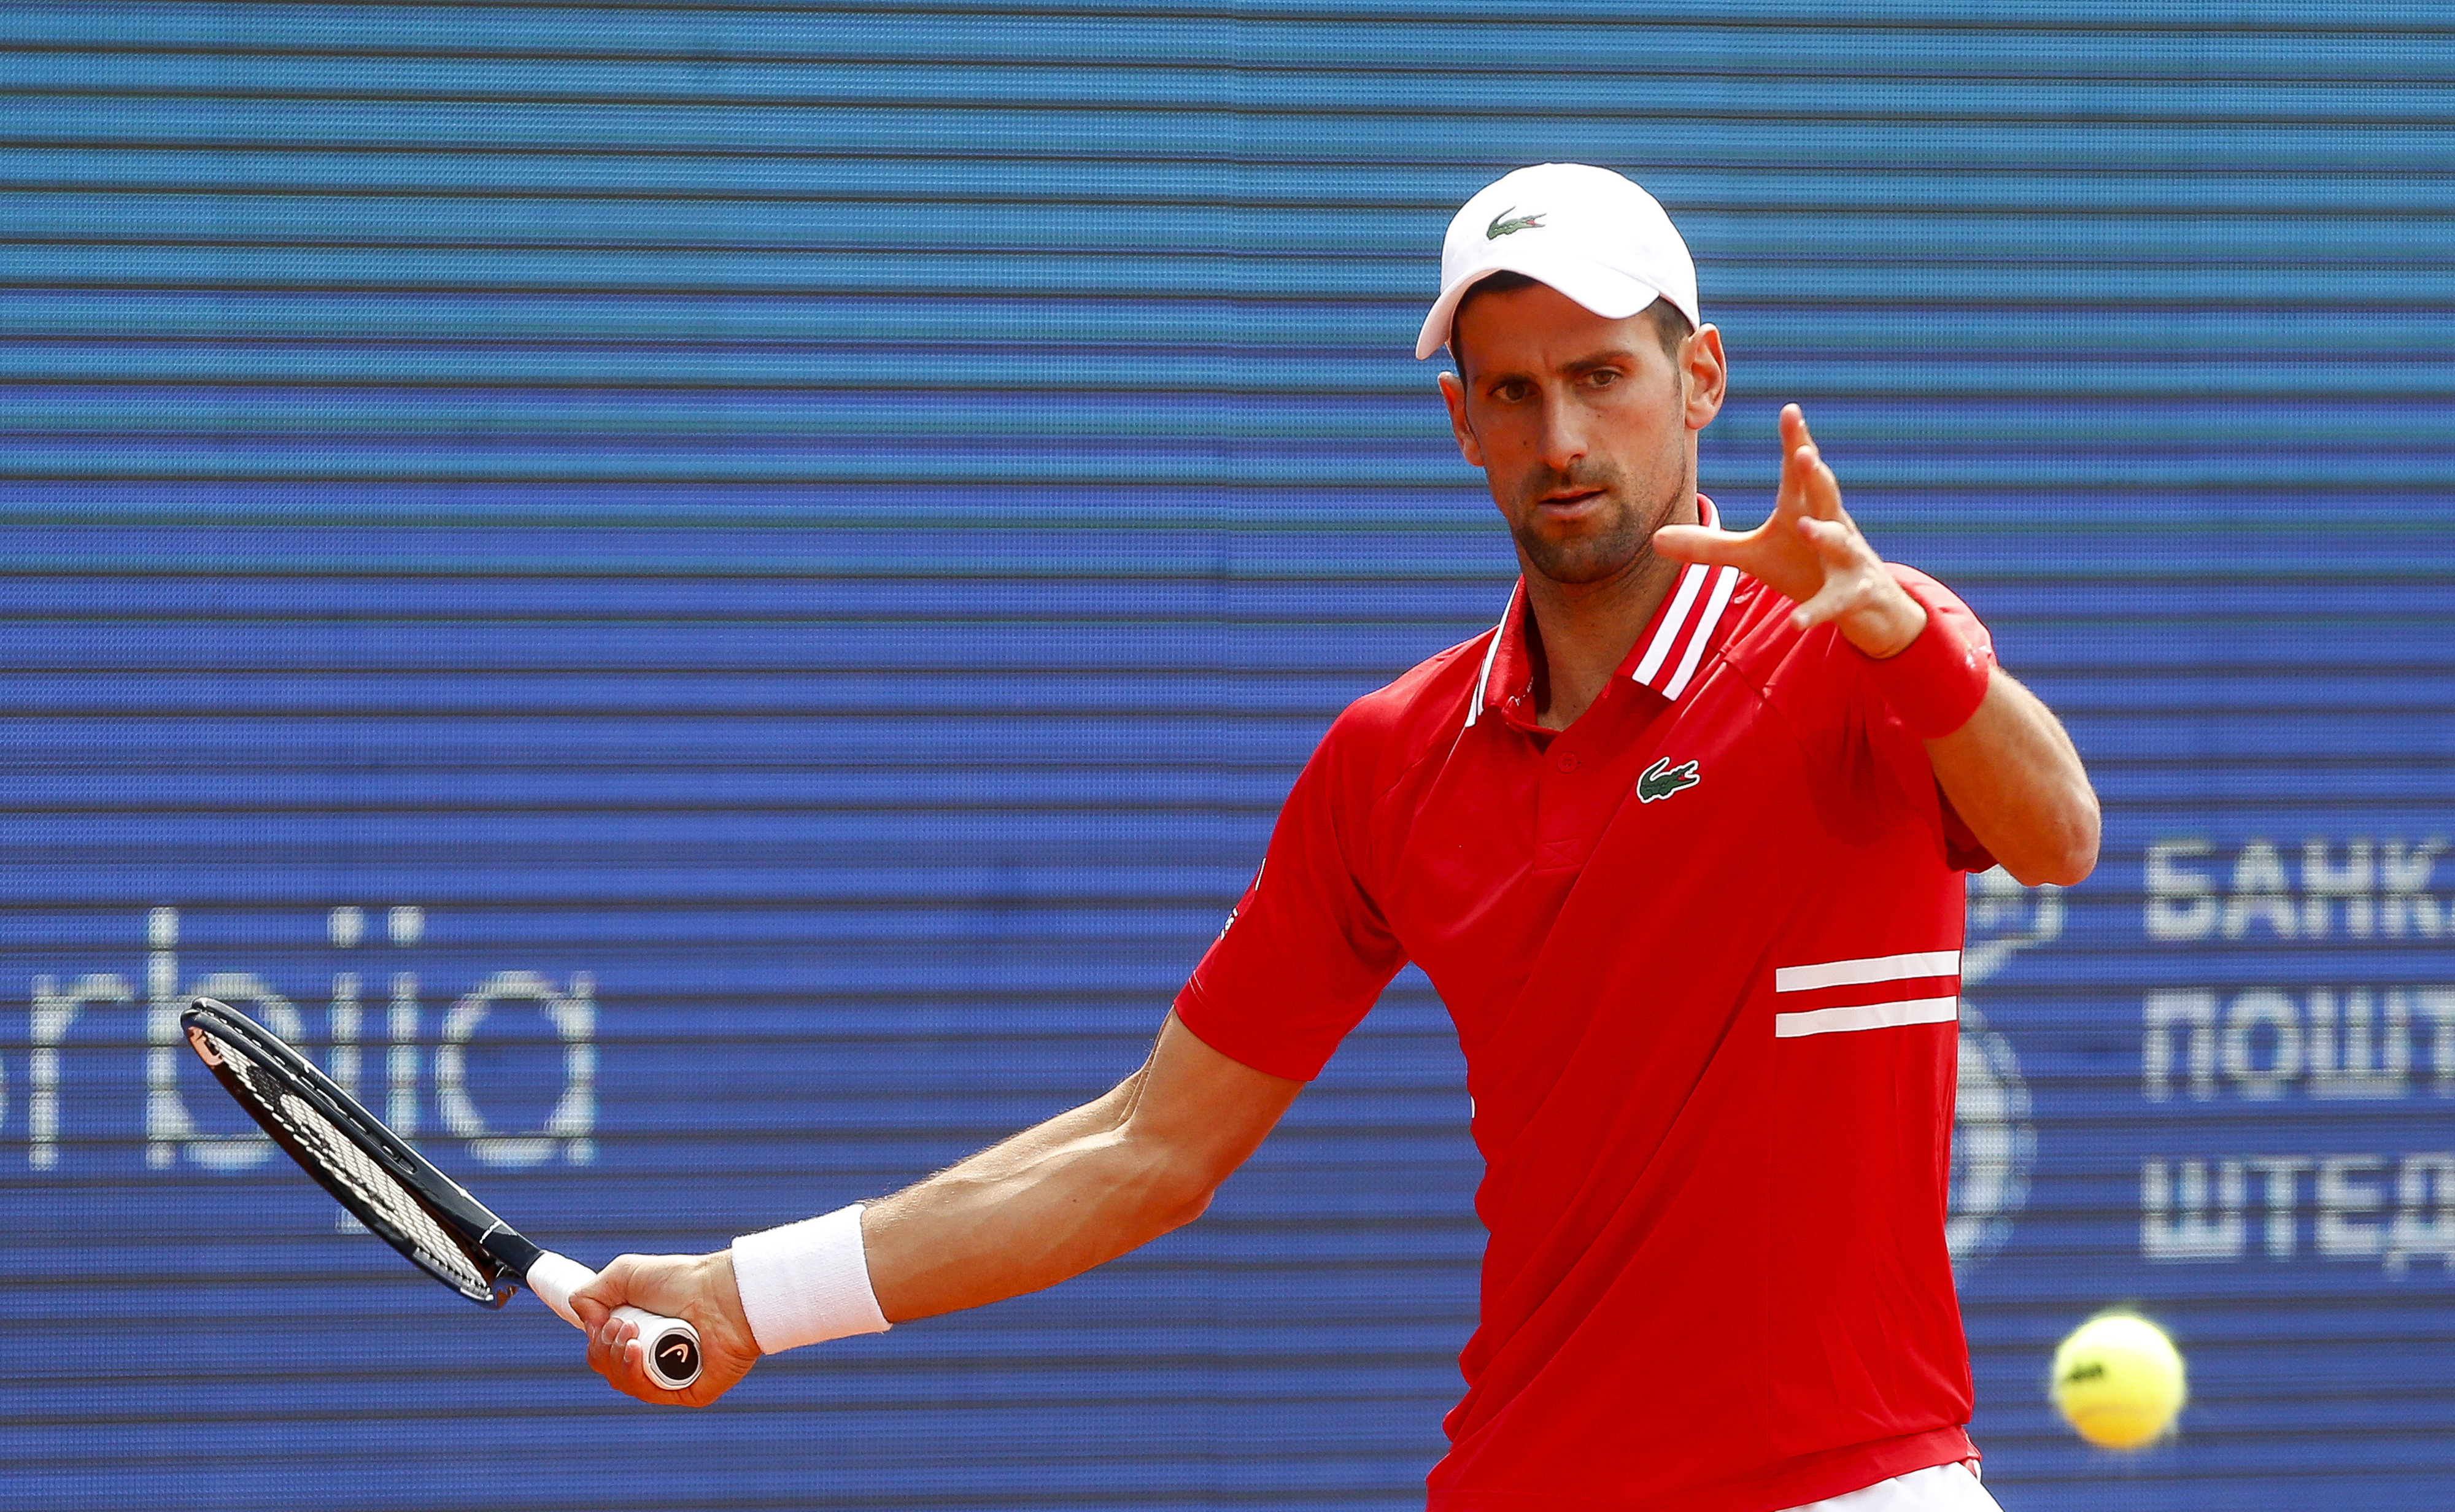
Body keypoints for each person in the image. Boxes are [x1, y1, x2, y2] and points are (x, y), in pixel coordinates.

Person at [571, 162, 2098, 1512]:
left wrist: (1906, 638)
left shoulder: (1855, 649)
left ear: (1698, 378)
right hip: (1529, 1480)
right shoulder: (1391, 763)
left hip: (1852, 1483)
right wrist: (749, 1296)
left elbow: (2058, 834)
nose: (1562, 435)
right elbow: (1145, 1147)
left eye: (1601, 376)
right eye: (1512, 391)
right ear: (1460, 421)